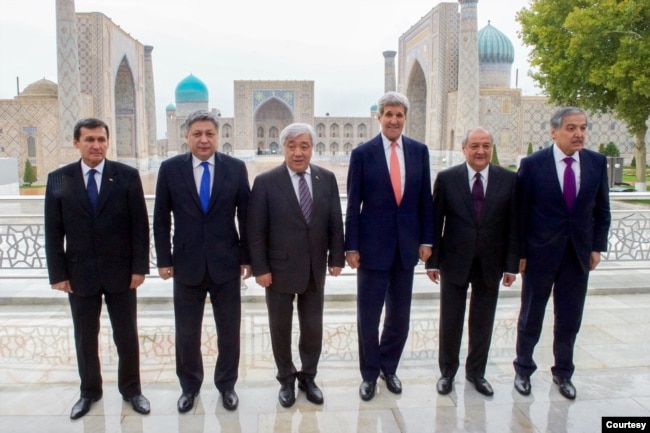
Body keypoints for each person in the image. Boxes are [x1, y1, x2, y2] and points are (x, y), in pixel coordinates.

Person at [44, 117, 151, 419]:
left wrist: (139, 268)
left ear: (108, 142)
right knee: (85, 337)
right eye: (89, 139)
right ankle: (89, 391)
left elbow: (139, 227)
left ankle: (132, 390)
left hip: (121, 273)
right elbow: (53, 231)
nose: (96, 145)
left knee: (126, 335)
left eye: (101, 139)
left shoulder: (126, 176)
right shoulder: (60, 179)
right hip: (80, 275)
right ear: (76, 142)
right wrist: (59, 274)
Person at [153, 110, 251, 412]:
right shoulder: (170, 170)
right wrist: (163, 260)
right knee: (186, 332)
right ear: (187, 136)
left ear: (218, 136)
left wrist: (247, 258)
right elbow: (160, 218)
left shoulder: (235, 168)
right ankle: (190, 387)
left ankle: (226, 385)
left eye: (209, 133)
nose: (204, 139)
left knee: (229, 331)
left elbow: (246, 217)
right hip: (186, 264)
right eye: (197, 133)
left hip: (226, 264)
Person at [513, 107, 611, 400]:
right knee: (531, 315)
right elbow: (519, 214)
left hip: (577, 256)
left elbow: (602, 211)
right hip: (539, 254)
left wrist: (596, 246)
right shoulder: (532, 165)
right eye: (571, 128)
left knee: (569, 317)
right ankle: (523, 370)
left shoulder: (595, 163)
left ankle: (563, 373)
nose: (578, 133)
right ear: (553, 131)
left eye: (582, 127)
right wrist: (518, 252)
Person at [248, 123, 345, 407]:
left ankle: (308, 376)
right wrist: (261, 268)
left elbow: (335, 221)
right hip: (277, 271)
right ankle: (286, 379)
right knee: (281, 327)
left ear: (312, 148)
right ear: (283, 148)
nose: (298, 152)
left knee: (312, 327)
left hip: (315, 268)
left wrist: (336, 258)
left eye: (304, 146)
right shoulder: (266, 182)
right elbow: (256, 230)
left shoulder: (325, 178)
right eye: (292, 146)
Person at [345, 91, 434, 401]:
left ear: (405, 118)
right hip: (371, 248)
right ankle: (369, 374)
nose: (394, 119)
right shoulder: (363, 154)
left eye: (399, 114)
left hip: (406, 247)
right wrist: (351, 246)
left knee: (400, 315)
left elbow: (425, 199)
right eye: (388, 114)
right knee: (368, 316)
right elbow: (353, 204)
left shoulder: (418, 151)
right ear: (379, 117)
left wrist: (426, 240)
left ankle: (388, 366)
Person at [425, 127, 518, 397]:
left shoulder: (508, 180)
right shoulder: (447, 178)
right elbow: (436, 221)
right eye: (475, 146)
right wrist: (432, 262)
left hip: (491, 263)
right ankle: (447, 372)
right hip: (454, 262)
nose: (480, 151)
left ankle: (476, 372)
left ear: (491, 148)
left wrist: (511, 265)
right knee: (450, 320)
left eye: (486, 146)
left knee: (483, 320)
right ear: (464, 149)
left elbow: (514, 226)